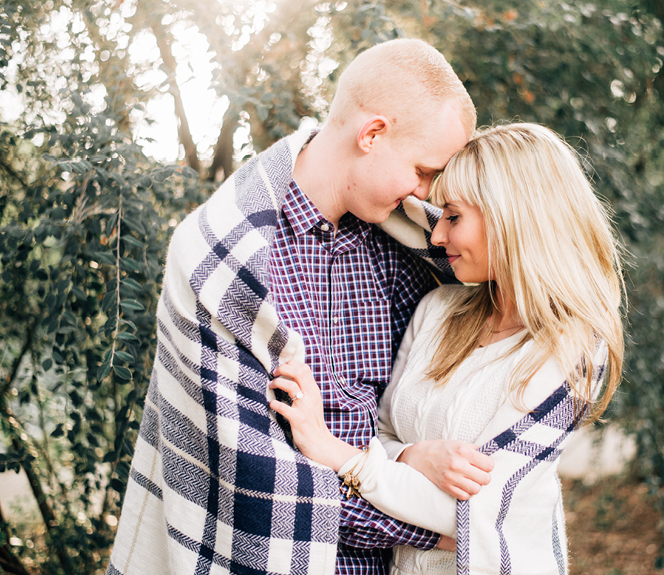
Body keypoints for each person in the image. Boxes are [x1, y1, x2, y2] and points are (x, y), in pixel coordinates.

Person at [107, 39, 478, 575]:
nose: (425, 195)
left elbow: (419, 409)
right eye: (423, 171)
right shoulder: (223, 256)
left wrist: (407, 466)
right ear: (372, 134)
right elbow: (255, 481)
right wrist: (442, 524)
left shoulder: (404, 248)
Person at [269, 123, 626, 574]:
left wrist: (334, 452)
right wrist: (412, 456)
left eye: (453, 217)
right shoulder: (437, 311)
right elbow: (380, 431)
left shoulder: (570, 349)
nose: (437, 238)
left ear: (511, 216)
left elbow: (473, 513)